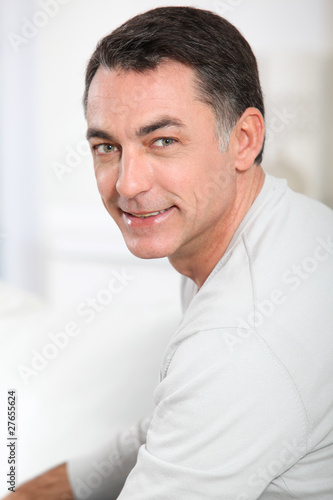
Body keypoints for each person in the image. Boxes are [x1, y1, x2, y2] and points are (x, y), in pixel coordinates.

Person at [5, 6, 333, 500]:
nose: (128, 184)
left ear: (244, 140)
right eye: (106, 147)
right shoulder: (283, 226)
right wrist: (52, 487)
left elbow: (211, 386)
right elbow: (174, 420)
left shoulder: (239, 339)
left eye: (163, 141)